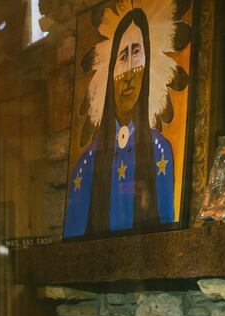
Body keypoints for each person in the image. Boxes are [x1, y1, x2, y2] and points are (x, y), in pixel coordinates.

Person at [64, 7, 175, 239]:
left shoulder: (160, 150)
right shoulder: (86, 163)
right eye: (122, 57)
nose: (128, 73)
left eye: (137, 53)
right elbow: (74, 238)